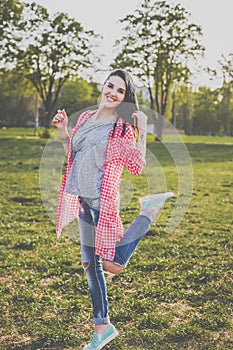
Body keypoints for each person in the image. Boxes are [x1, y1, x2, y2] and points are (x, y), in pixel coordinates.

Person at [52, 69, 173, 350]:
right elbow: (73, 152)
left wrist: (142, 128)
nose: (113, 93)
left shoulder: (119, 129)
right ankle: (102, 327)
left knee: (112, 266)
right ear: (103, 86)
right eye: (110, 86)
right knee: (91, 266)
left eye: (120, 91)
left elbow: (137, 165)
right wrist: (62, 131)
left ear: (123, 98)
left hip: (102, 204)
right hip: (83, 201)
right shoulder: (84, 118)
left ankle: (149, 212)